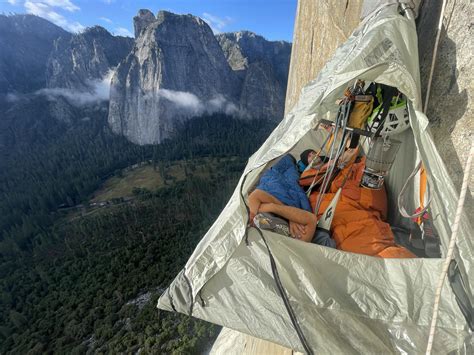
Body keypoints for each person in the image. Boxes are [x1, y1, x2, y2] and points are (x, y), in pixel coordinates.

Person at [248, 152, 318, 242]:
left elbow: (256, 195)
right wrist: (289, 216)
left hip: (274, 183)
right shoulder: (300, 239)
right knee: (290, 172)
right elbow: (311, 220)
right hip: (284, 200)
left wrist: (273, 208)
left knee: (279, 172)